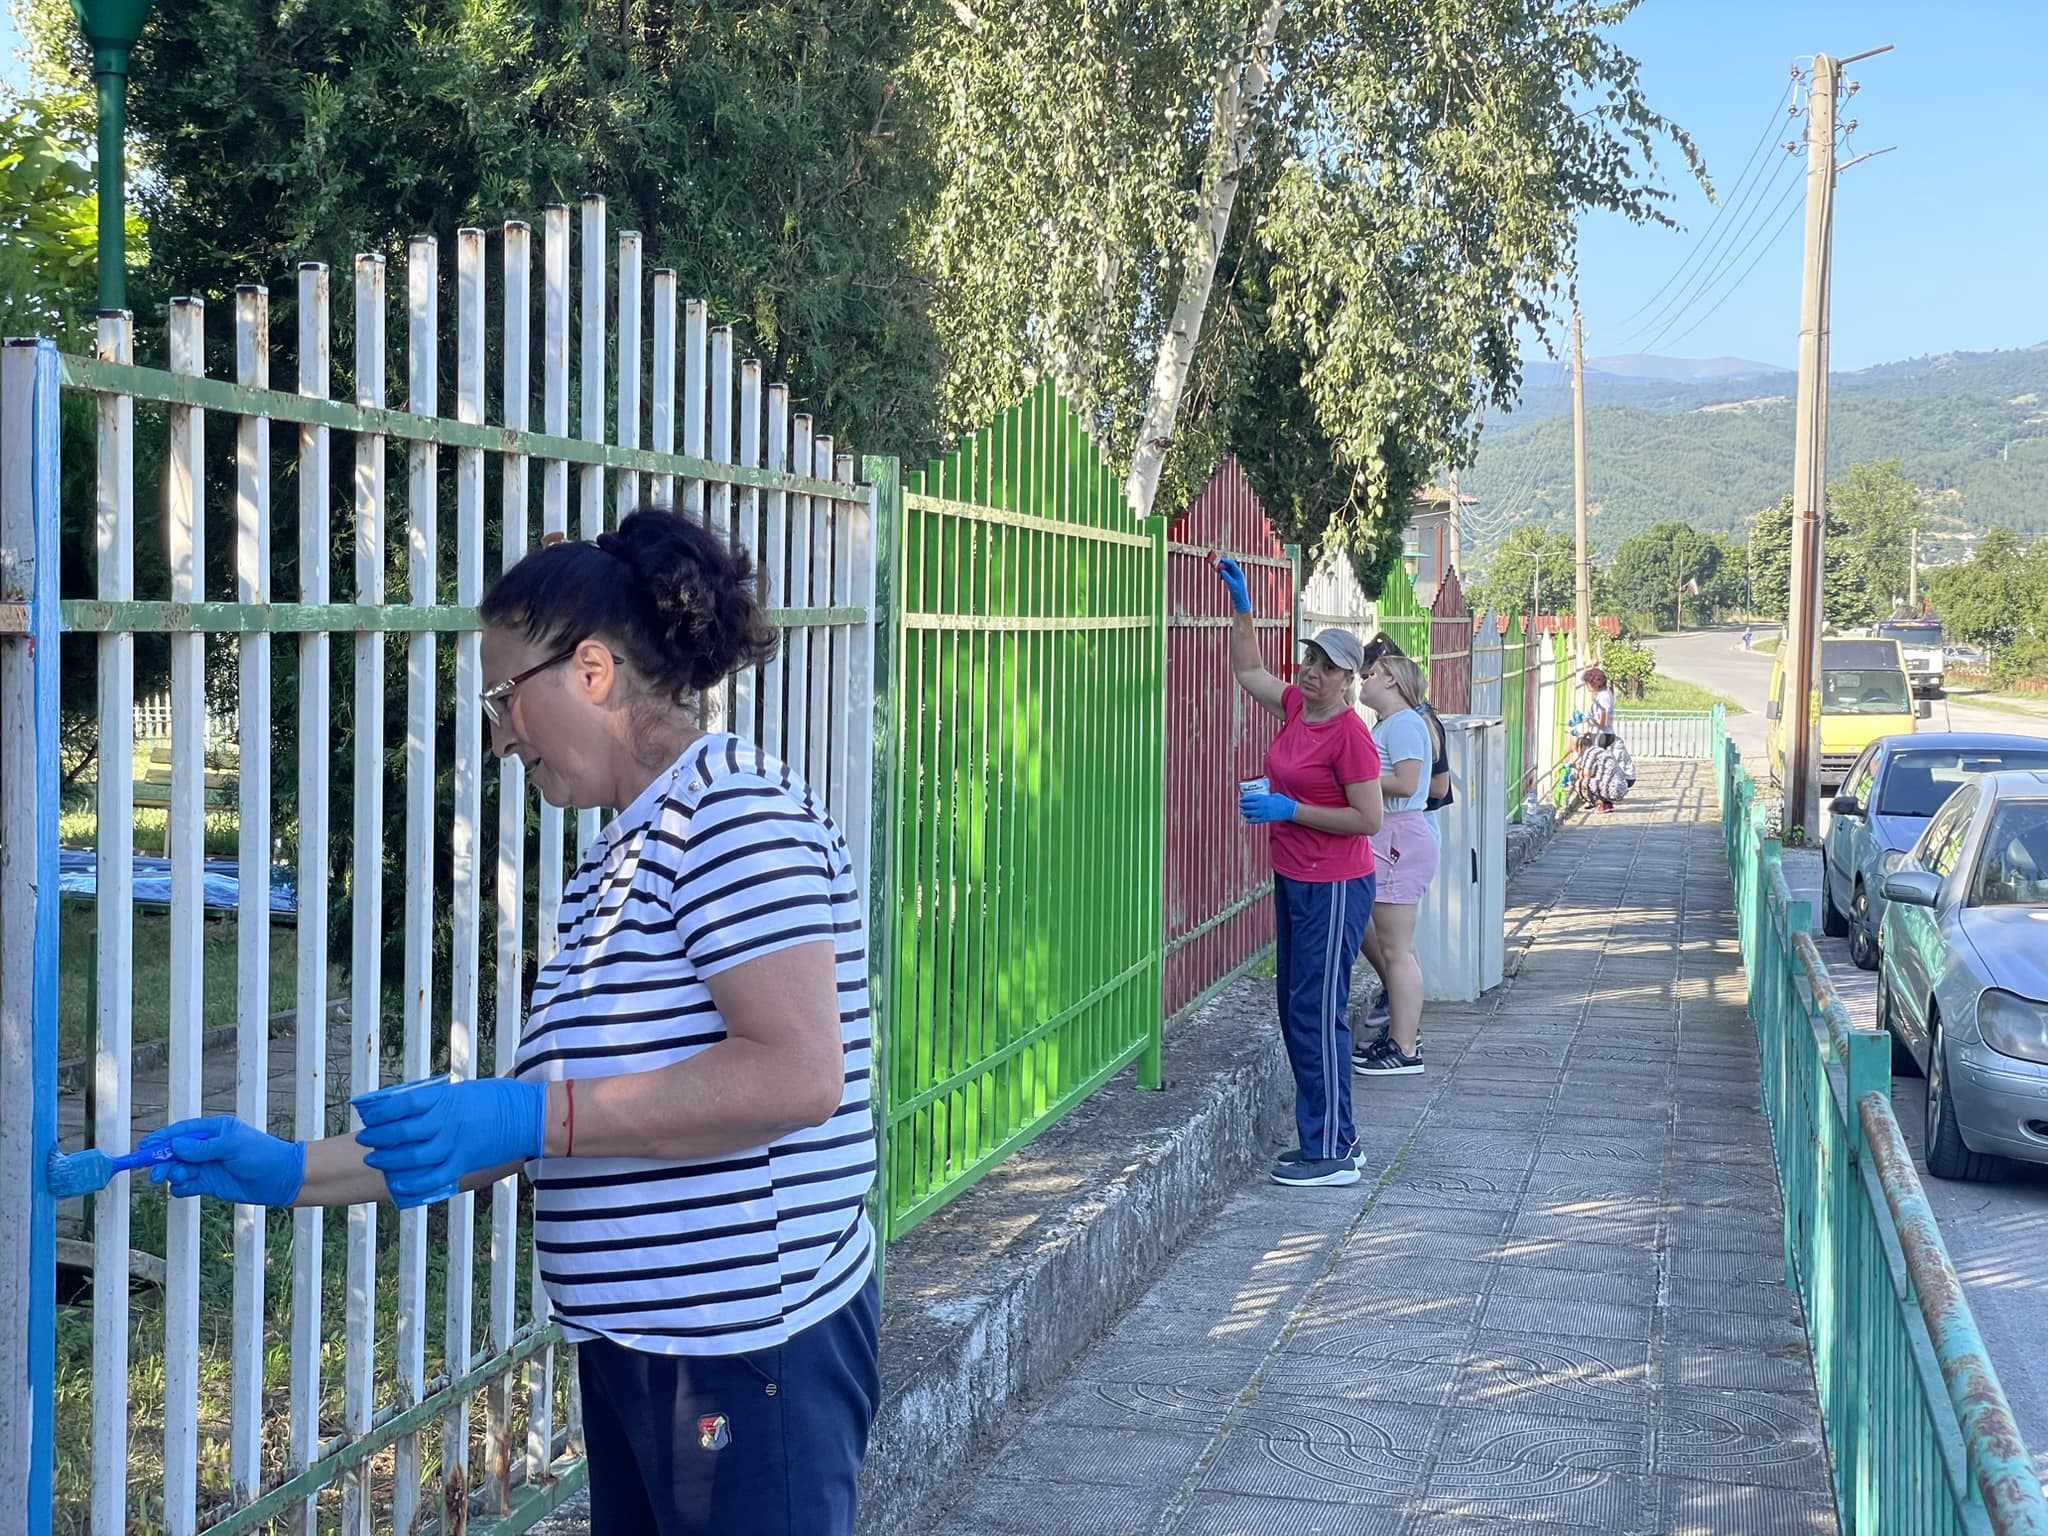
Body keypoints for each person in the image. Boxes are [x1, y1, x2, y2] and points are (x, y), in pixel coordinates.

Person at [141, 509, 881, 1536]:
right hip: (640, 1351)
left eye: (501, 697)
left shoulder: (731, 816)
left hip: (744, 1351)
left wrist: (537, 1122)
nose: (496, 736)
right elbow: (530, 1118)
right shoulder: (613, 864)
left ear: (590, 672)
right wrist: (288, 1170)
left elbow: (796, 1075)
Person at [1215, 557, 1384, 1188]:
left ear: (1348, 681)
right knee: (1295, 1009)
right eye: (1309, 660)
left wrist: (1291, 808)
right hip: (1295, 877)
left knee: (1317, 1010)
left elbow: (1368, 819)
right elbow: (1248, 670)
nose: (1310, 672)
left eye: (1326, 667)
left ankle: (1335, 1150)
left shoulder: (1350, 736)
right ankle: (1328, 1138)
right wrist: (1243, 607)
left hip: (1335, 884)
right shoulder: (1295, 709)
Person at [1352, 652, 1440, 1078]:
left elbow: (1406, 783)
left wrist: (1351, 780)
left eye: (1371, 675)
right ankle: (1403, 1035)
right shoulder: (1392, 724)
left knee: (1396, 951)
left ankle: (1405, 1048)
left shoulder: (1403, 723)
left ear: (1392, 681)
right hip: (1393, 838)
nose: (1363, 681)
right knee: (1397, 948)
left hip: (1398, 839)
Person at [1571, 730, 1637, 813]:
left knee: (1580, 783)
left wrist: (1578, 770)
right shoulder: (1599, 750)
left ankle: (1597, 804)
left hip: (1614, 789)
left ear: (1582, 747)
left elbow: (1586, 774)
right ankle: (1606, 803)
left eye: (1578, 751)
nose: (1579, 754)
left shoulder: (1589, 753)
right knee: (1597, 780)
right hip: (1621, 785)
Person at [1584, 664, 1617, 748]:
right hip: (1601, 734)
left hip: (1602, 735)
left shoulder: (1603, 697)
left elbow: (1603, 722)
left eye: (1587, 683)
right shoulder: (1604, 694)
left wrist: (1589, 719)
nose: (1587, 686)